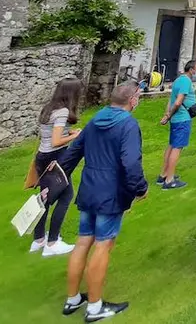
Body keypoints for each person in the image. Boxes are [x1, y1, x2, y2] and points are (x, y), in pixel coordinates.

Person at [59, 82, 148, 322]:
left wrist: (57, 178)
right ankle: (95, 307)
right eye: (137, 98)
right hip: (110, 192)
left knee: (82, 241)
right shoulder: (128, 124)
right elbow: (130, 162)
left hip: (89, 189)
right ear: (133, 100)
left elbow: (73, 152)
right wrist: (140, 188)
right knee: (103, 244)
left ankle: (73, 298)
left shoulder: (96, 118)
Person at [30, 77, 84, 257]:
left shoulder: (48, 108)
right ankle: (52, 242)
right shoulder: (62, 112)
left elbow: (49, 134)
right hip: (55, 157)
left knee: (45, 197)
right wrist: (75, 136)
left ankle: (38, 240)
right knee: (66, 196)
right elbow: (55, 141)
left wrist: (69, 132)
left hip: (43, 156)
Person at [158, 60, 196, 190]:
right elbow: (177, 102)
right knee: (177, 148)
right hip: (182, 118)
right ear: (191, 69)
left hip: (176, 118)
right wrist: (169, 115)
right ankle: (169, 181)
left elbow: (170, 100)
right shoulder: (185, 81)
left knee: (171, 145)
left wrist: (167, 115)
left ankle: (163, 175)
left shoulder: (178, 80)